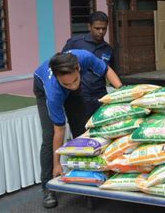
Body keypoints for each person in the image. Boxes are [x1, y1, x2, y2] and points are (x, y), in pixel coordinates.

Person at [33, 49, 122, 208]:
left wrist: (123, 93)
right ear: (58, 78)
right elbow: (59, 130)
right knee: (49, 136)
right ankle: (47, 187)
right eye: (66, 83)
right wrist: (57, 164)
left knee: (82, 131)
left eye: (75, 80)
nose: (73, 86)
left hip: (66, 87)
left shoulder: (84, 57)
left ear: (78, 68)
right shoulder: (54, 91)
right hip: (42, 89)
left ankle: (86, 181)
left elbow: (106, 70)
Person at [62, 11, 115, 124]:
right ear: (89, 27)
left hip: (100, 96)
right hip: (78, 97)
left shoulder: (108, 49)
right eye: (97, 28)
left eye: (104, 29)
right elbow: (62, 67)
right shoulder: (75, 43)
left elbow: (110, 72)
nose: (101, 32)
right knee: (81, 133)